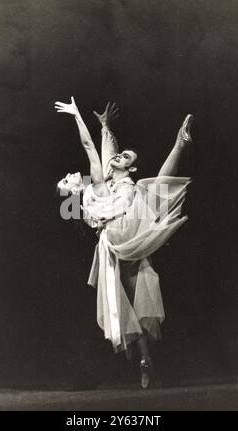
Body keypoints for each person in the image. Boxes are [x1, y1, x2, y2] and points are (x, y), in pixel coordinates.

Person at [55, 97, 193, 388]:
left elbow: (91, 149)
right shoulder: (103, 183)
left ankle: (180, 143)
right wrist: (104, 127)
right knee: (127, 306)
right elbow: (104, 152)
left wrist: (78, 116)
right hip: (112, 246)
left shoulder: (126, 184)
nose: (119, 157)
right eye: (120, 156)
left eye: (126, 158)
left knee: (152, 188)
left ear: (130, 168)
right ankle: (146, 361)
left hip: (129, 235)